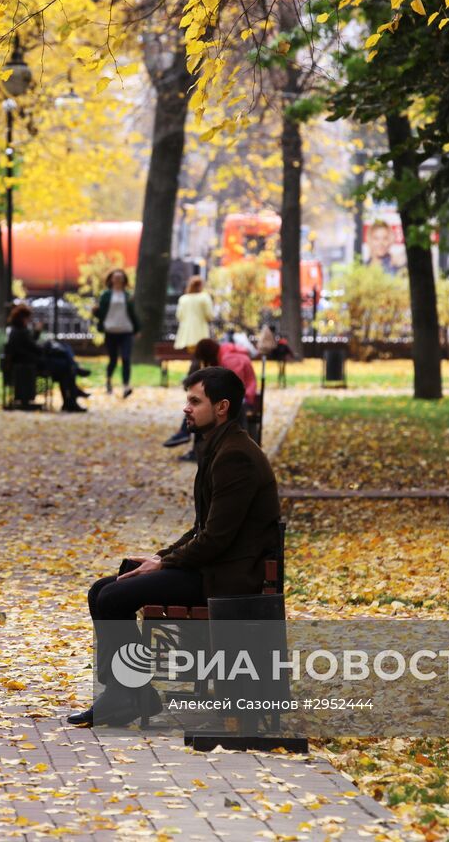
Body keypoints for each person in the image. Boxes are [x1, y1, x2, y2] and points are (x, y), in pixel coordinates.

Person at [67, 366, 281, 728]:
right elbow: (203, 529)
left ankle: (129, 695)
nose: (187, 408)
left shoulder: (235, 456)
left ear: (222, 406)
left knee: (112, 597)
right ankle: (131, 694)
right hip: (216, 566)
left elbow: (215, 539)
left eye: (195, 401)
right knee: (102, 589)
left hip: (229, 578)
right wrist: (162, 557)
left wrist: (165, 565)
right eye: (188, 400)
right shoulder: (220, 447)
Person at [171, 337, 258, 461]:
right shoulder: (223, 353)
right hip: (236, 397)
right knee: (200, 409)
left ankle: (193, 443)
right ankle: (195, 446)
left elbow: (234, 389)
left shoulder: (229, 359)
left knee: (204, 412)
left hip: (243, 398)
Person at [163, 276, 216, 448]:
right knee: (200, 362)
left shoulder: (183, 299)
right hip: (200, 334)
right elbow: (209, 315)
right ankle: (192, 380)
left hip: (187, 335)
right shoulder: (204, 297)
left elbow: (179, 315)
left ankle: (191, 380)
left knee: (196, 363)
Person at [5, 304, 87, 412]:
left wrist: (38, 335)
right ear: (23, 318)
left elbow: (30, 345)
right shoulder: (21, 332)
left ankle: (70, 400)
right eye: (28, 318)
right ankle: (72, 396)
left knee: (65, 365)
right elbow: (34, 348)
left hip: (32, 363)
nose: (29, 321)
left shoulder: (17, 331)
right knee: (66, 365)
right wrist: (45, 346)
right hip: (33, 364)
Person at [92, 269, 140, 397]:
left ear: (124, 279)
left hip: (126, 330)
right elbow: (100, 313)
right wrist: (95, 311)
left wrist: (137, 329)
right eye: (116, 277)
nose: (118, 279)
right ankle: (108, 381)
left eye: (120, 277)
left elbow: (133, 314)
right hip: (111, 330)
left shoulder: (128, 295)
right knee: (113, 359)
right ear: (111, 279)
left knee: (126, 358)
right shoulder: (106, 295)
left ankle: (126, 386)